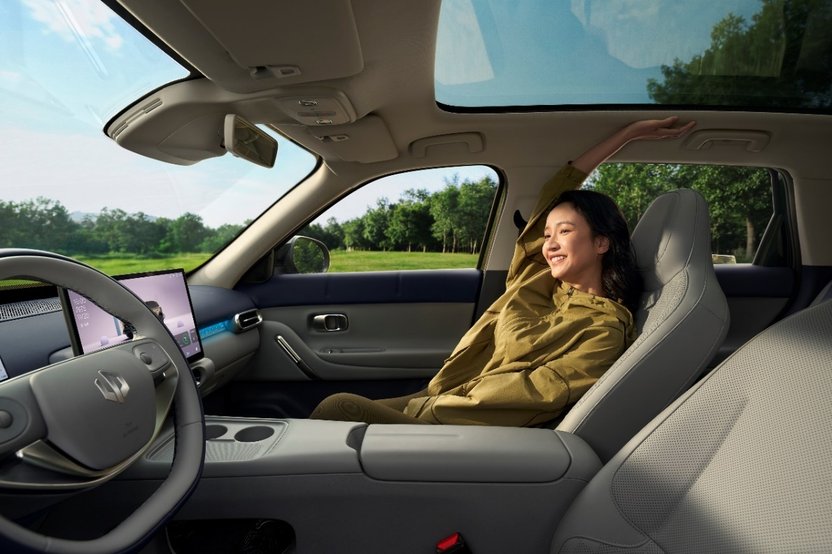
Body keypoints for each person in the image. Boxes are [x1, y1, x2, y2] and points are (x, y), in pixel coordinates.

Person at [310, 117, 696, 426]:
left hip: (461, 423)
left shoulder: (603, 331)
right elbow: (556, 190)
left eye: (565, 232)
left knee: (337, 409)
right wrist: (628, 134)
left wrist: (427, 411)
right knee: (330, 417)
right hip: (440, 394)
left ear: (601, 243)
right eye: (547, 234)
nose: (549, 244)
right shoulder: (537, 277)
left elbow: (535, 396)